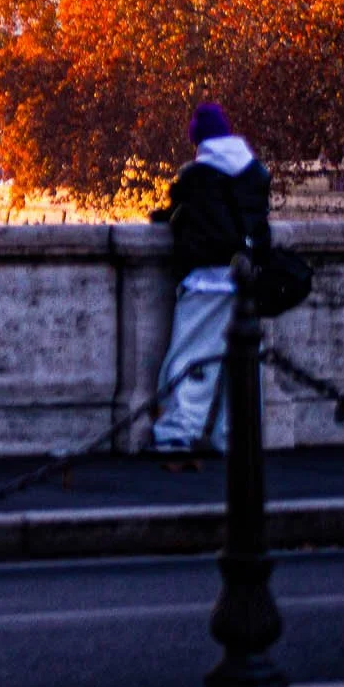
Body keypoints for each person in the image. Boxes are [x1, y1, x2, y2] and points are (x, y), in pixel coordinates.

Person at [148, 101, 272, 454]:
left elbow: (177, 219)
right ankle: (234, 436)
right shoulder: (254, 172)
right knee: (242, 366)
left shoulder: (198, 177)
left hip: (207, 279)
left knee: (189, 361)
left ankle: (177, 433)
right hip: (246, 279)